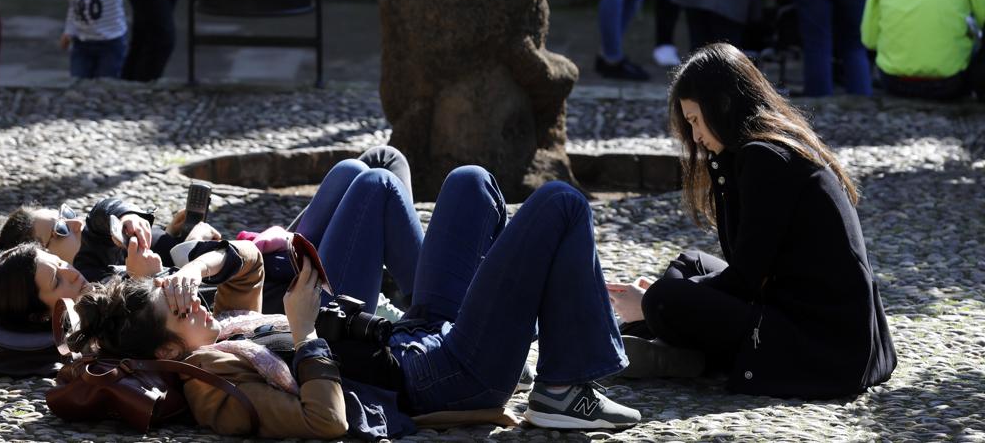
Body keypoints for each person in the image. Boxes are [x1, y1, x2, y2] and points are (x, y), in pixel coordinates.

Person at [67, 166, 643, 436]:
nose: (196, 306)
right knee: (561, 203)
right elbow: (326, 423)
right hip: (446, 374)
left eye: (186, 299)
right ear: (170, 347)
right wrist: (305, 335)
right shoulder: (217, 384)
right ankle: (564, 389)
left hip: (413, 334)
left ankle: (523, 310)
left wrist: (191, 267)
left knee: (469, 180)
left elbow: (252, 265)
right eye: (182, 310)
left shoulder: (226, 330)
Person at [606, 43, 896, 398]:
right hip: (787, 304)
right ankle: (678, 347)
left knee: (665, 298)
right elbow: (745, 263)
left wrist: (651, 304)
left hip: (825, 343)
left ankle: (677, 347)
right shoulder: (752, 151)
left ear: (723, 104)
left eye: (696, 120)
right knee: (689, 262)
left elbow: (744, 280)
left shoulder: (766, 158)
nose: (695, 136)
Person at [0, 199, 221, 329]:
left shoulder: (87, 254)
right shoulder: (95, 299)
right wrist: (186, 251)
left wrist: (129, 216)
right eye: (60, 230)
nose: (75, 224)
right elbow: (193, 309)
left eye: (67, 214)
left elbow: (102, 212)